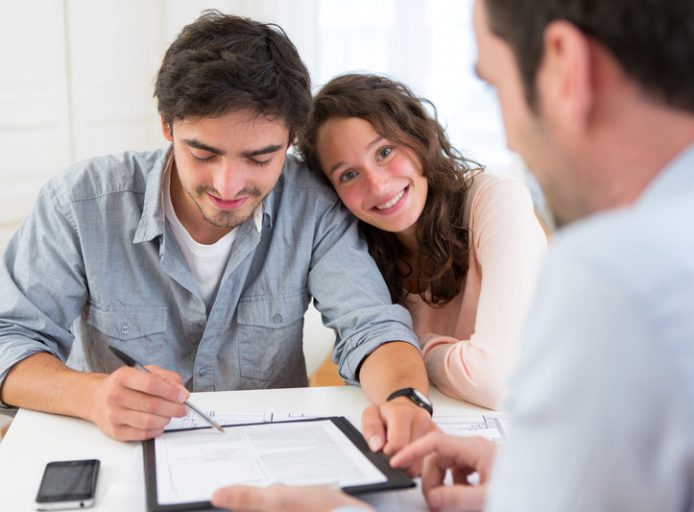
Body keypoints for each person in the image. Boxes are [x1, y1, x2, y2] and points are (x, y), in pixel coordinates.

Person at [211, 0, 694, 510]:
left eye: (493, 85)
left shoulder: (614, 269)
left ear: (563, 65)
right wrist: (522, 482)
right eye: (349, 174)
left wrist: (342, 507)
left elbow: (497, 377)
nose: (512, 138)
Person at [0, 11, 436, 453]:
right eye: (203, 154)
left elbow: (371, 326)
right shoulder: (79, 204)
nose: (228, 186)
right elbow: (9, 338)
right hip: (120, 457)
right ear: (168, 126)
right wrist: (91, 395)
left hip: (268, 456)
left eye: (260, 159)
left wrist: (405, 400)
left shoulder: (313, 205)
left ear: (290, 141)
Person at [298, 73, 547, 409]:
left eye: (384, 151)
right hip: (444, 432)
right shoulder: (357, 252)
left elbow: (496, 381)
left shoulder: (498, 200)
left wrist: (407, 349)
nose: (378, 184)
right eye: (349, 174)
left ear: (417, 138)